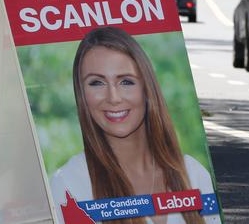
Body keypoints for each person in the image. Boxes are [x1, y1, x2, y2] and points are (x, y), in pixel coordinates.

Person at [49, 27, 219, 224]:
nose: (113, 98)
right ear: (82, 95)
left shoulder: (194, 174)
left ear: (147, 88)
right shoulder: (68, 184)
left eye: (126, 82)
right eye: (96, 83)